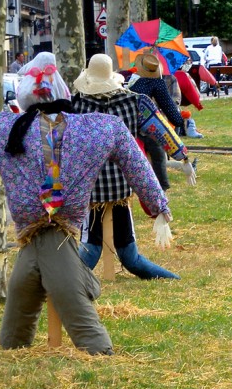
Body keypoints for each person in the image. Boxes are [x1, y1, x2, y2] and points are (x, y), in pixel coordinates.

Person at [0, 53, 171, 355]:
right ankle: (15, 342)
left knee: (62, 286)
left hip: (56, 221)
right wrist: (158, 205)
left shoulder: (2, 127)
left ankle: (96, 347)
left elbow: (137, 164)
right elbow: (138, 164)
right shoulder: (100, 127)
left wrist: (158, 204)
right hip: (55, 220)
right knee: (25, 281)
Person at [71, 53, 194, 281]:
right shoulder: (135, 102)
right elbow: (163, 131)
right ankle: (173, 279)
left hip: (90, 188)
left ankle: (58, 283)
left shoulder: (75, 105)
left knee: (92, 249)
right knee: (129, 255)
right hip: (122, 184)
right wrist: (183, 158)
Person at [128, 51, 185, 191]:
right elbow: (174, 115)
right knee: (158, 154)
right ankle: (161, 189)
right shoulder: (156, 82)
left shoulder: (131, 81)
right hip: (144, 129)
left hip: (126, 129)